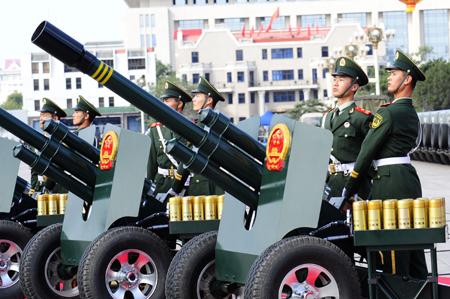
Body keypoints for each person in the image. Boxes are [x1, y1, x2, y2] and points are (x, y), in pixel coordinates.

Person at [344, 50, 427, 279]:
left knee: (391, 252)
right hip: (407, 179)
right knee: (414, 246)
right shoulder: (410, 113)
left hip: (389, 182)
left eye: (394, 73)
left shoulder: (388, 114)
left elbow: (366, 153)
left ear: (407, 79)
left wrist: (348, 190)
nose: (389, 77)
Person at [322, 57, 373, 204]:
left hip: (355, 188)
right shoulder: (327, 117)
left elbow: (371, 157)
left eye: (342, 79)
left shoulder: (361, 118)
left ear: (354, 87)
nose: (336, 83)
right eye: (335, 79)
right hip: (331, 185)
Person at [171, 76, 225, 196]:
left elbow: (188, 155)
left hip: (203, 185)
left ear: (209, 100)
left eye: (197, 96)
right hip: (213, 184)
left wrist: (176, 187)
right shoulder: (217, 123)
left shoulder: (203, 125)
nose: (193, 99)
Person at [147, 81, 192, 196]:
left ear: (179, 104)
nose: (163, 104)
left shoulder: (190, 129)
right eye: (163, 101)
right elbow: (151, 165)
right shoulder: (155, 130)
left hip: (186, 186)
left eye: (167, 101)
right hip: (162, 185)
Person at [30, 98, 67, 194]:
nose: (41, 118)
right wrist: (34, 189)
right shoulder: (38, 140)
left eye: (45, 115)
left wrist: (47, 186)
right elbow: (35, 170)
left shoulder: (63, 141)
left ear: (55, 118)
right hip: (42, 193)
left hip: (58, 192)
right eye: (40, 115)